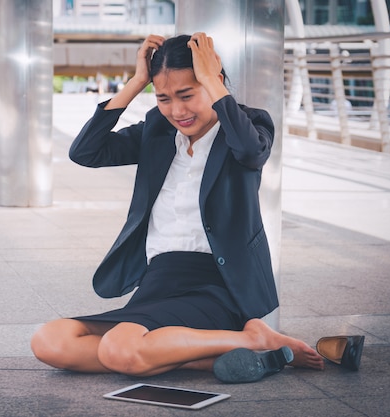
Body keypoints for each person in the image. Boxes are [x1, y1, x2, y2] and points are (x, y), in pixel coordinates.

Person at [31, 33, 324, 382]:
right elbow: (86, 152)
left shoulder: (246, 126)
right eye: (164, 99)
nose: (177, 111)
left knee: (118, 349)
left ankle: (252, 337)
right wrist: (137, 82)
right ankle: (220, 355)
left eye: (187, 95)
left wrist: (213, 84)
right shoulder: (157, 132)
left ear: (213, 82)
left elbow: (251, 152)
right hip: (160, 280)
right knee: (50, 341)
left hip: (217, 282)